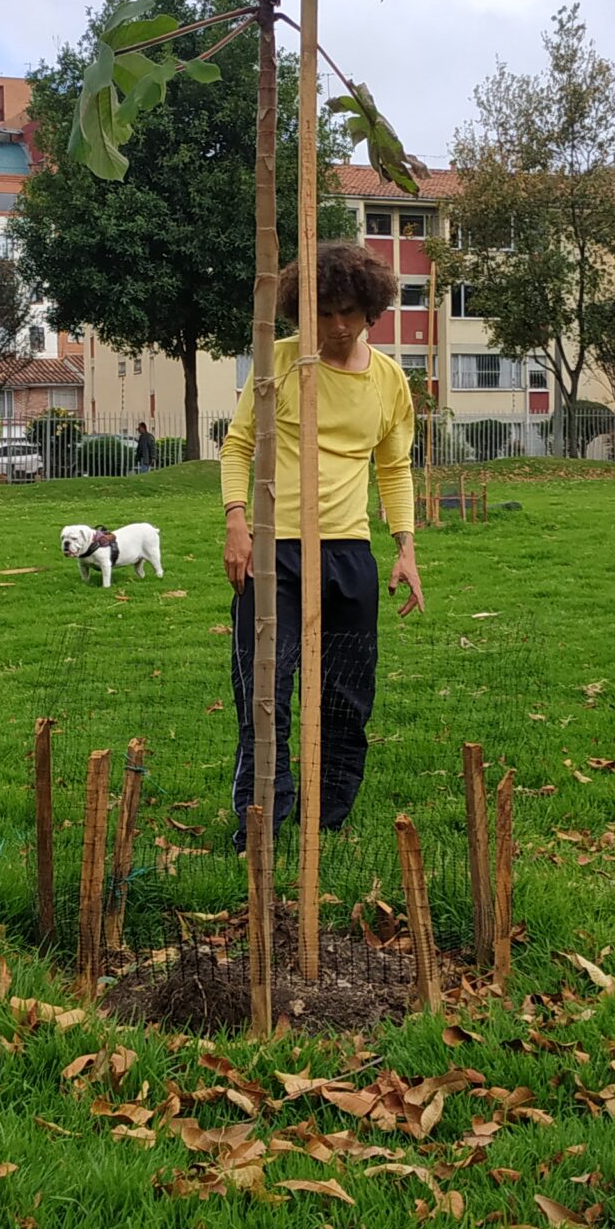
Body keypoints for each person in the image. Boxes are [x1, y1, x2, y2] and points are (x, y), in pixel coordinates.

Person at [219, 241, 423, 837]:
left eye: (348, 312)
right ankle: (261, 821)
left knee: (346, 695)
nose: (336, 326)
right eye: (324, 312)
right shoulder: (277, 361)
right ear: (302, 312)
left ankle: (326, 819)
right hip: (273, 550)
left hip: (349, 553)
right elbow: (237, 446)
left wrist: (405, 546)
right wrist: (237, 521)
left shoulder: (388, 381)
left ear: (371, 311)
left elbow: (393, 467)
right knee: (264, 690)